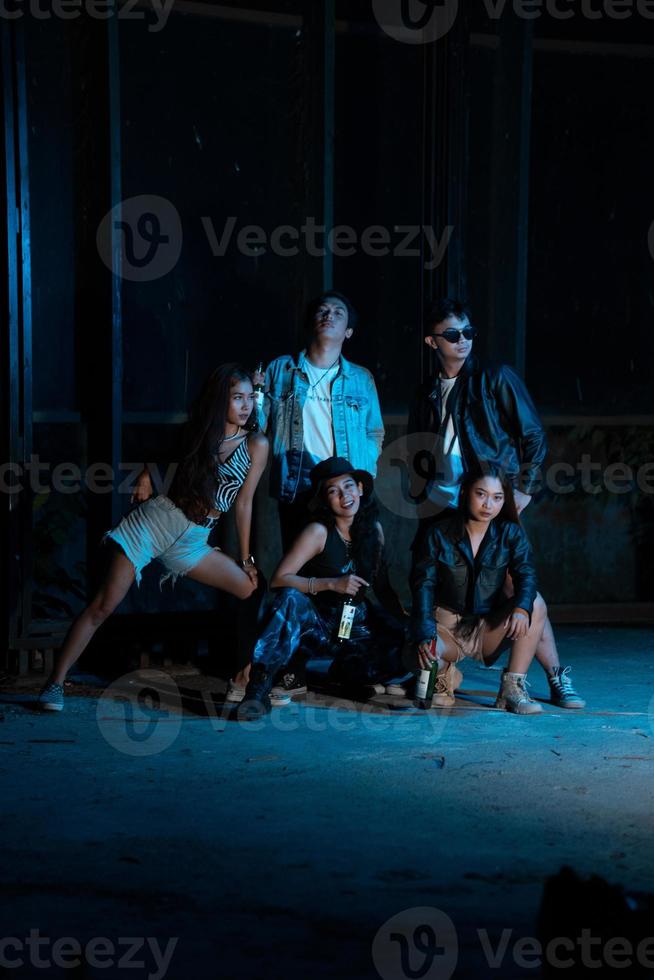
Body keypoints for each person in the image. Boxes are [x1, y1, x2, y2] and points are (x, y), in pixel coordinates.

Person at [38, 364, 268, 712]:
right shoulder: (198, 434)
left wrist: (247, 559)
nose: (245, 405)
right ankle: (54, 684)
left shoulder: (256, 443)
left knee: (251, 589)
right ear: (220, 400)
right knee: (102, 606)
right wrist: (147, 471)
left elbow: (244, 504)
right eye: (237, 397)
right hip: (154, 524)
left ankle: (244, 680)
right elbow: (158, 450)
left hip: (194, 541)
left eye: (250, 398)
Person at [407, 298, 585, 709]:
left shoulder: (494, 377)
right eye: (452, 334)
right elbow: (416, 447)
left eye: (468, 332)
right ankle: (435, 665)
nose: (463, 340)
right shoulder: (426, 392)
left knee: (518, 588)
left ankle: (552, 676)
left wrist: (522, 489)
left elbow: (533, 435)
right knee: (435, 585)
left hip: (492, 500)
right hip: (443, 506)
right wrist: (419, 494)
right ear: (432, 341)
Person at [239, 457, 407, 718]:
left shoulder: (374, 529)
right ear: (325, 499)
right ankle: (259, 688)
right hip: (318, 624)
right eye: (333, 491)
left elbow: (383, 587)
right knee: (289, 599)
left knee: (403, 645)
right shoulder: (318, 532)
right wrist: (331, 584)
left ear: (360, 488)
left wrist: (409, 626)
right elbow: (280, 578)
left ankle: (345, 674)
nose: (344, 495)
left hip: (353, 625)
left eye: (349, 486)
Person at [409, 465, 548, 714]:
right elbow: (423, 585)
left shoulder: (510, 533)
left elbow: (526, 575)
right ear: (464, 493)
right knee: (419, 659)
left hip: (487, 627)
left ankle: (511, 689)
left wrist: (521, 608)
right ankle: (445, 675)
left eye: (497, 497)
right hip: (444, 626)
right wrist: (424, 633)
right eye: (481, 494)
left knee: (534, 603)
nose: (488, 505)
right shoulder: (438, 533)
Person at [258, 291, 384, 552]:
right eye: (323, 311)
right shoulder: (280, 369)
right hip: (297, 485)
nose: (329, 316)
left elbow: (374, 432)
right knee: (299, 567)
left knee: (349, 565)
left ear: (348, 331)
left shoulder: (361, 378)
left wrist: (363, 474)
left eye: (339, 313)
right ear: (310, 322)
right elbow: (258, 426)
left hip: (345, 489)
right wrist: (254, 394)